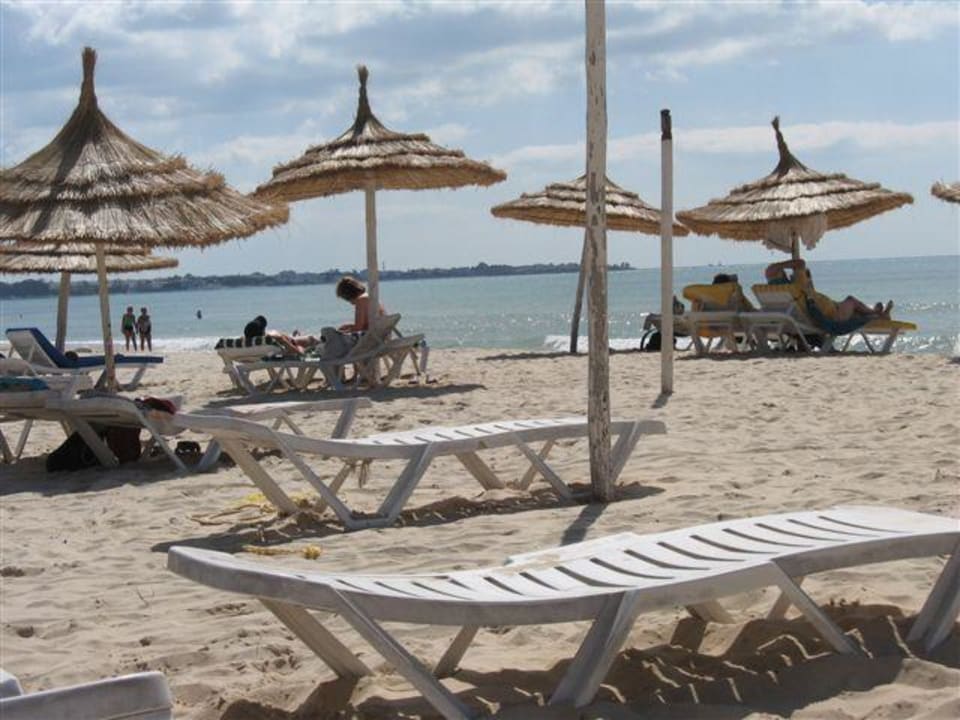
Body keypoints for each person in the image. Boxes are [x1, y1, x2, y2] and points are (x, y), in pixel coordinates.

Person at [764, 258, 891, 322]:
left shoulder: (788, 291)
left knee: (856, 312)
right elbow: (800, 263)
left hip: (828, 310)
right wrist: (791, 267)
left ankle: (878, 314)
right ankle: (876, 313)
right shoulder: (796, 288)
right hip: (831, 315)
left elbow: (770, 271)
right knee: (851, 300)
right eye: (783, 272)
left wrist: (805, 280)